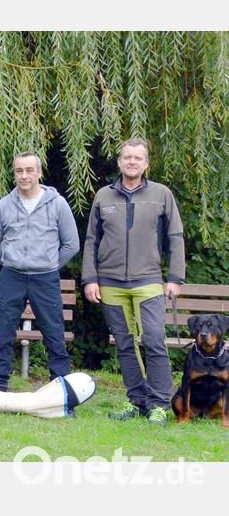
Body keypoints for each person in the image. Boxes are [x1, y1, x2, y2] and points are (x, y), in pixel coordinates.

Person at [82, 137, 185, 427]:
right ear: (119, 161)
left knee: (153, 339)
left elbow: (175, 238)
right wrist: (90, 278)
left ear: (146, 163)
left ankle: (159, 404)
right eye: (127, 157)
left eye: (138, 158)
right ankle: (136, 400)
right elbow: (91, 240)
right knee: (125, 344)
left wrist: (175, 278)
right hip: (110, 283)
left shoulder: (161, 194)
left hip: (148, 280)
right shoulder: (103, 196)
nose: (132, 162)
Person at [0, 151, 78, 392]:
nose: (23, 176)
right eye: (18, 171)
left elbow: (71, 244)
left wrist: (49, 264)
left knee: (54, 335)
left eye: (28, 170)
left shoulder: (57, 204)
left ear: (39, 172)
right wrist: (12, 261)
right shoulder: (4, 205)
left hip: (45, 278)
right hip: (12, 277)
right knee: (3, 334)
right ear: (14, 173)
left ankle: (61, 390)